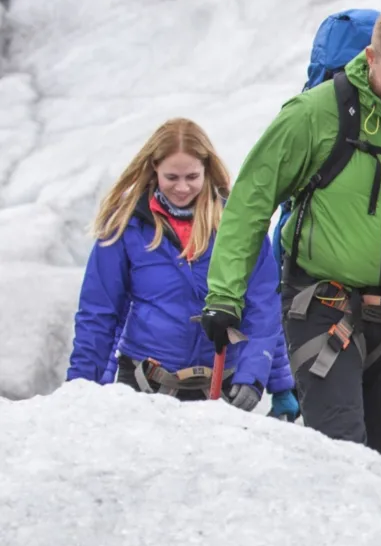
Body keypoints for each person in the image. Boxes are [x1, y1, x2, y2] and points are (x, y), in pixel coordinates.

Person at [200, 4, 381, 459]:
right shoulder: (316, 114)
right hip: (321, 308)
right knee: (343, 455)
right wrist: (224, 295)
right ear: (371, 57)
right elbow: (251, 202)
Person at [68, 119, 286, 407]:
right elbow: (100, 313)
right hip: (143, 387)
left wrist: (271, 379)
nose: (182, 188)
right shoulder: (125, 226)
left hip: (220, 389)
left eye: (192, 177)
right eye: (171, 178)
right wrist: (81, 387)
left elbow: (263, 305)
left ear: (207, 170)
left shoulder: (237, 225)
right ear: (153, 168)